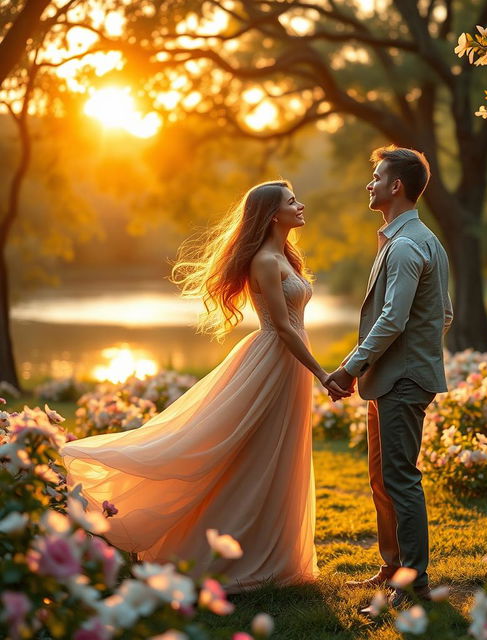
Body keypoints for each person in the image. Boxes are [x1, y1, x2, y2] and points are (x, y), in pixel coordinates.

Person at [62, 180, 347, 591]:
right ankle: (225, 550)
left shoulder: (284, 256)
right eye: (291, 202)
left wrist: (313, 372)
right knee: (246, 452)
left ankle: (276, 556)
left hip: (289, 365)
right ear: (271, 214)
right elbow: (283, 326)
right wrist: (323, 374)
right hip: (272, 359)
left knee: (277, 454)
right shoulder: (265, 260)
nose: (300, 205)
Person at [327, 146, 453, 609]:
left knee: (399, 479)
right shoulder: (425, 240)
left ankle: (412, 581)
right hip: (395, 377)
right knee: (381, 478)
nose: (371, 184)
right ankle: (391, 564)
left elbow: (393, 320)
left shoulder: (404, 245)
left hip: (401, 380)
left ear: (395, 186)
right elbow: (444, 313)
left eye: (377, 177)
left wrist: (349, 367)